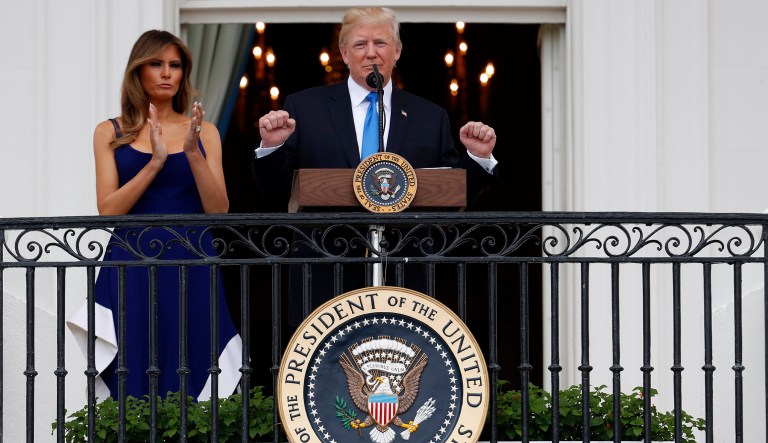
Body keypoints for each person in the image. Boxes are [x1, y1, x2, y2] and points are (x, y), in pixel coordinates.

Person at [252, 7, 498, 324]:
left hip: (405, 279)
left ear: (397, 51)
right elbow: (274, 192)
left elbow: (451, 196)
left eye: (380, 43)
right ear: (343, 52)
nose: (371, 54)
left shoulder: (429, 116)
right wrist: (272, 147)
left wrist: (477, 158)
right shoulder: (305, 107)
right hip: (325, 273)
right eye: (360, 44)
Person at [67, 30, 242, 402]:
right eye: (156, 64)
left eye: (175, 66)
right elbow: (108, 209)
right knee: (133, 355)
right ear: (138, 71)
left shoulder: (205, 132)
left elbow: (218, 209)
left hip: (192, 257)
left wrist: (192, 154)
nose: (167, 73)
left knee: (194, 354)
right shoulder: (109, 132)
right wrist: (156, 162)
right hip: (131, 258)